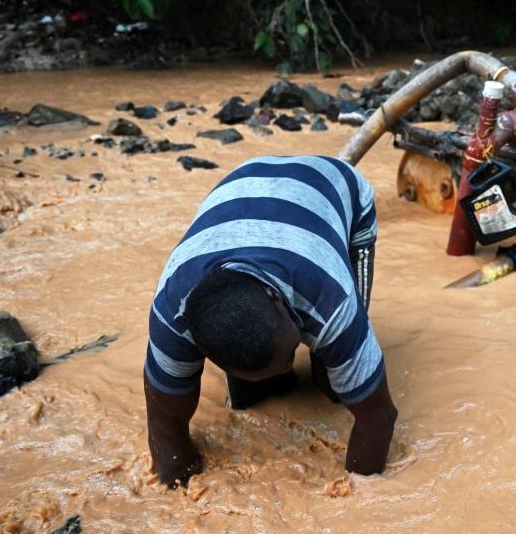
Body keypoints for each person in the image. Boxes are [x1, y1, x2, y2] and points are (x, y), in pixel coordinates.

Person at [143, 155, 398, 488]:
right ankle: (259, 378)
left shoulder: (330, 297)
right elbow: (165, 423)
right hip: (241, 188)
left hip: (334, 185)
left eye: (291, 353)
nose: (288, 365)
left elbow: (378, 417)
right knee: (252, 396)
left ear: (279, 299)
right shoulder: (170, 314)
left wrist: (358, 503)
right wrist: (177, 494)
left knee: (332, 382)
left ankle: (317, 369)